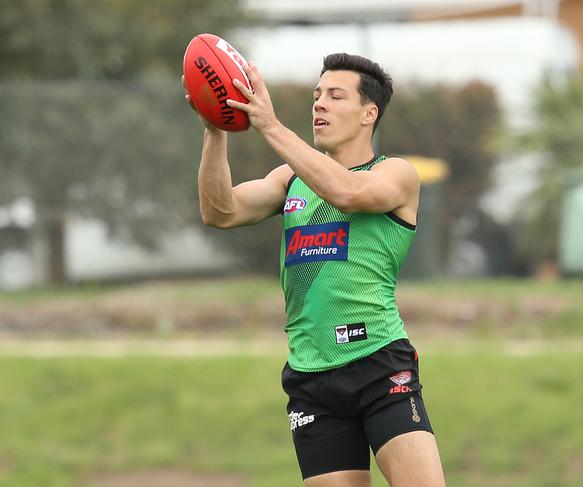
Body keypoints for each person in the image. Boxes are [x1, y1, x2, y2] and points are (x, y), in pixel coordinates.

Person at [182, 52, 446, 487]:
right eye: (317, 95)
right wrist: (216, 128)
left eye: (335, 96)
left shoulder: (395, 173)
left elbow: (346, 191)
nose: (319, 104)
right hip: (311, 378)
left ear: (369, 113)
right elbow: (220, 210)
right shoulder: (290, 180)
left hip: (379, 364)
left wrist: (269, 124)